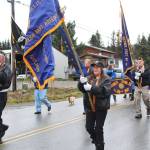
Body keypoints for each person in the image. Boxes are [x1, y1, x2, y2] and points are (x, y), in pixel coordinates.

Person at [78, 61, 111, 150]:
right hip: (90, 107)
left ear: (101, 69)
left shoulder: (106, 79)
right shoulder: (89, 78)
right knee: (88, 127)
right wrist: (81, 83)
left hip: (101, 107)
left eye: (98, 67)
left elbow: (105, 92)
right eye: (94, 67)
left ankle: (100, 146)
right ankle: (97, 141)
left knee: (98, 129)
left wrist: (92, 88)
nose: (95, 69)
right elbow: (82, 90)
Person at [0, 52, 12, 144]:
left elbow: (5, 80)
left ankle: (1, 133)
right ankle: (2, 127)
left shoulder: (7, 69)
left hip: (2, 95)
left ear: (3, 60)